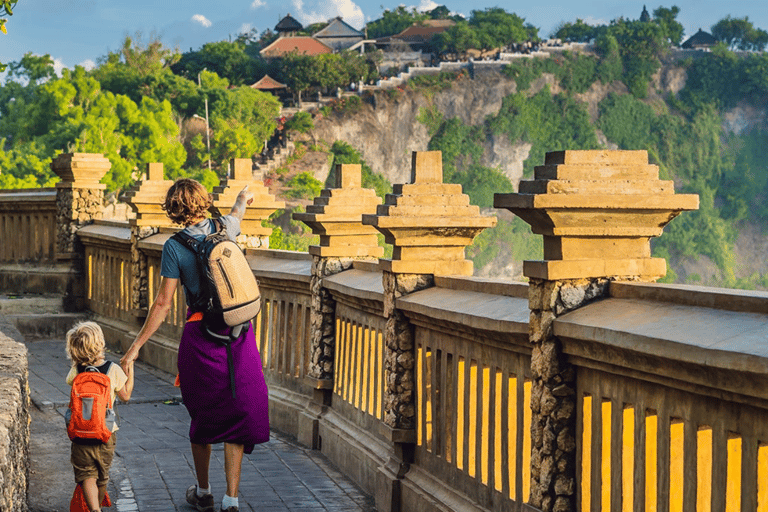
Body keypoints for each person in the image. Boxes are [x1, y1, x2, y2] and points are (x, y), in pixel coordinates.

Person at [120, 179, 269, 512]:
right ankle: (231, 499)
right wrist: (243, 197)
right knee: (237, 411)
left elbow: (162, 303)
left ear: (173, 210)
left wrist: (134, 349)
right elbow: (237, 212)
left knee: (203, 414)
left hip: (201, 336)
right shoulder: (225, 228)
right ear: (204, 201)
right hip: (238, 333)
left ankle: (203, 492)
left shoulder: (174, 247)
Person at [66, 321, 134, 512]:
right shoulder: (112, 370)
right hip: (106, 432)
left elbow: (70, 382)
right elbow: (126, 395)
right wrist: (130, 368)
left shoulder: (76, 370)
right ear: (101, 343)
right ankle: (97, 505)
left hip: (80, 431)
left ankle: (94, 510)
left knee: (87, 474)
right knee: (102, 475)